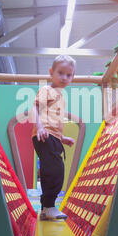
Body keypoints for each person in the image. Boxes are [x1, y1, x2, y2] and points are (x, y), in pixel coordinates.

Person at [31, 55, 76, 220]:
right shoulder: (47, 90)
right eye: (60, 73)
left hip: (53, 137)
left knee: (53, 169)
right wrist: (40, 127)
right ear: (51, 72)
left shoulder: (61, 97)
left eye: (68, 75)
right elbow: (35, 108)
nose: (64, 77)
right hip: (44, 134)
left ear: (73, 77)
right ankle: (49, 206)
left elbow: (54, 121)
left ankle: (45, 209)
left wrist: (62, 138)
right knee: (55, 170)